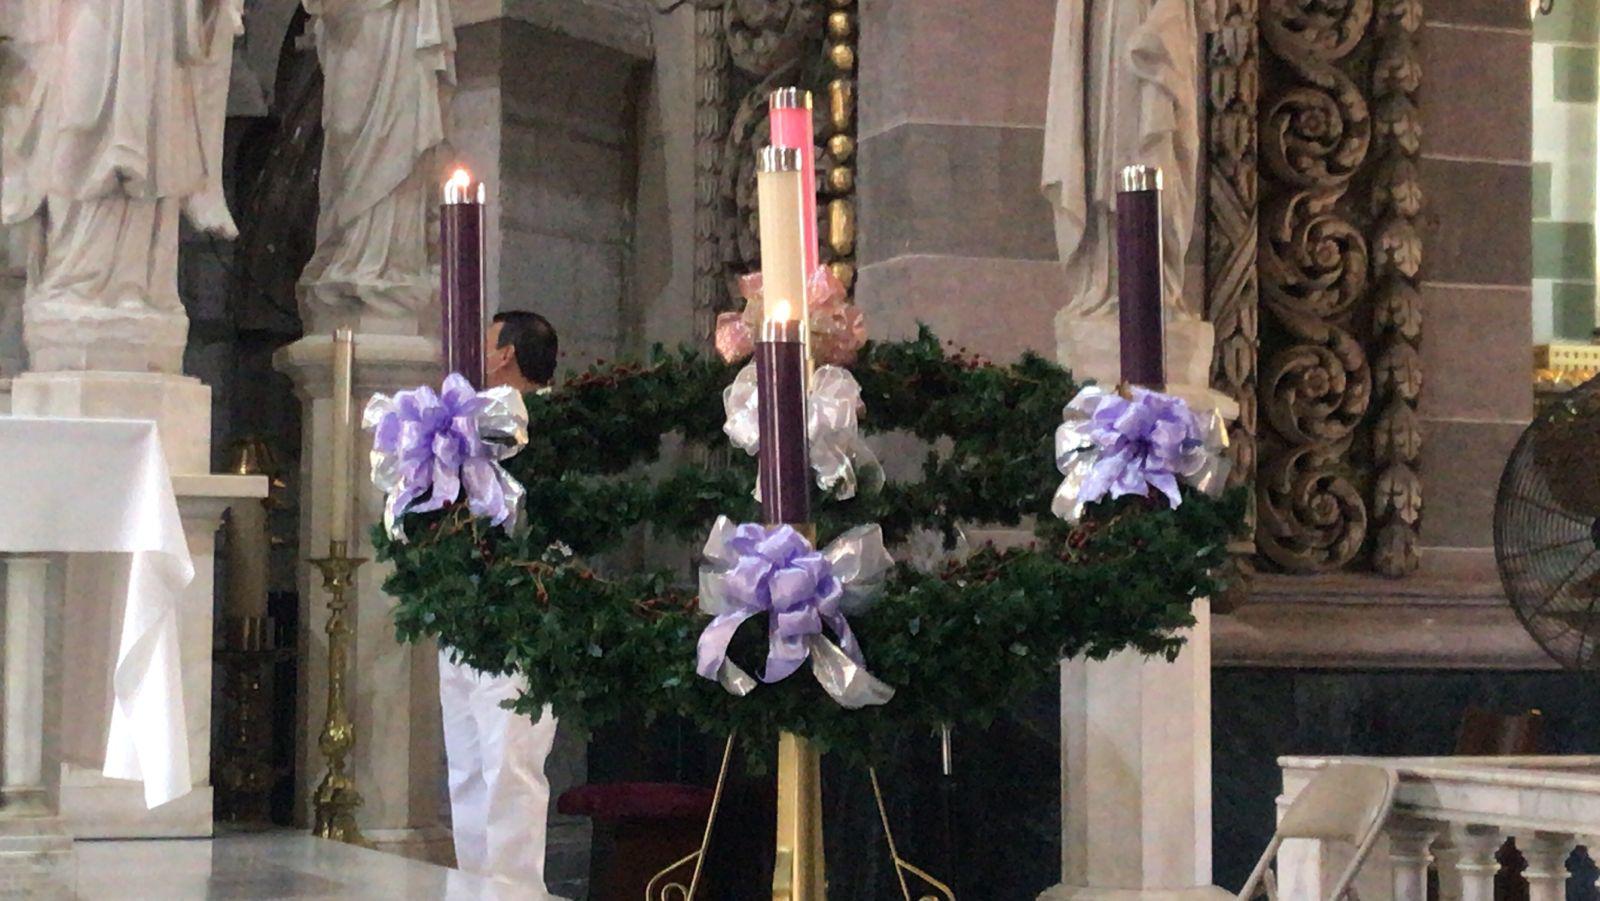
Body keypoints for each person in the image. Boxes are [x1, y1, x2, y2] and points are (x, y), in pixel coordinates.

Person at [439, 310, 561, 892]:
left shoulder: (553, 429)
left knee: (510, 766)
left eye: (485, 341)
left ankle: (513, 891)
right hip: (465, 613)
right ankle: (474, 888)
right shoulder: (469, 427)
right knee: (467, 768)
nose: (476, 352)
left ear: (506, 354)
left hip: (522, 618)